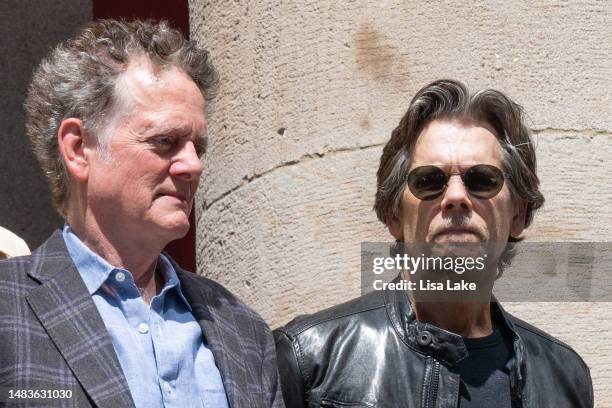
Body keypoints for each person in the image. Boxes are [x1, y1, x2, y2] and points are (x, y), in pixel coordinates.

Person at [0, 19, 283, 408]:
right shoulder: (8, 307)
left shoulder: (243, 331)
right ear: (79, 148)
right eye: (165, 141)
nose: (193, 166)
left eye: (197, 148)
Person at [274, 79, 593, 407]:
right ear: (394, 215)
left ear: (517, 212)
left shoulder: (564, 377)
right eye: (429, 181)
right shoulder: (309, 358)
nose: (456, 197)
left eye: (482, 180)